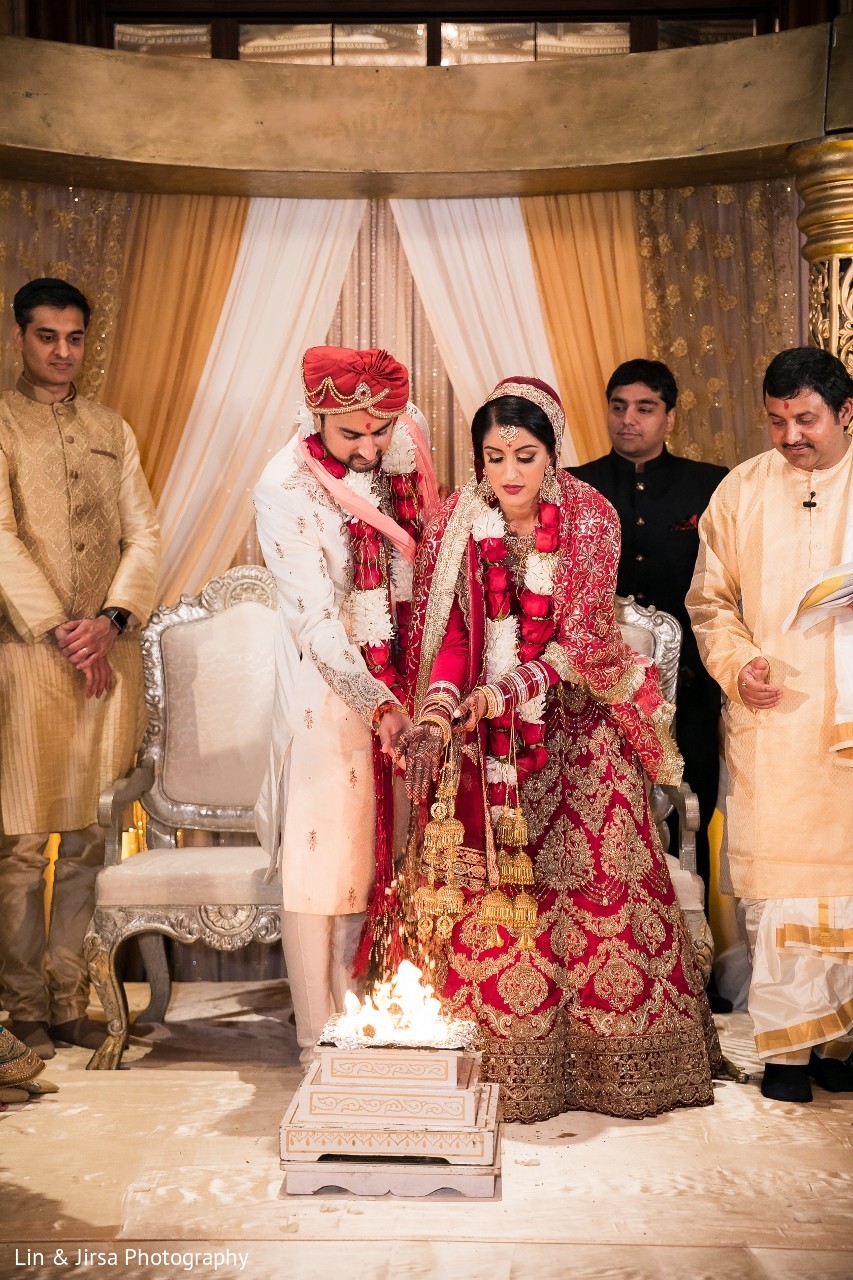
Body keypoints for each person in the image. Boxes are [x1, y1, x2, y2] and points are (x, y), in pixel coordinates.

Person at [403, 376, 721, 1122]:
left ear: (551, 455)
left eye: (524, 455)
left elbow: (578, 645)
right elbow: (452, 640)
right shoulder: (457, 521)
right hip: (488, 741)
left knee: (593, 889)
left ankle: (618, 1068)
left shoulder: (590, 517)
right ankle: (497, 1066)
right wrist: (443, 711)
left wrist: (499, 695)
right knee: (488, 897)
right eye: (492, 457)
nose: (508, 474)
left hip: (578, 730)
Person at [253, 346, 438, 1066]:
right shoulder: (284, 485)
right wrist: (375, 703)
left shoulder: (403, 431)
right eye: (349, 436)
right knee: (324, 856)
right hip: (325, 685)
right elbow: (315, 619)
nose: (368, 448)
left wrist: (412, 695)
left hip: (408, 672)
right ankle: (319, 1037)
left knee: (389, 848)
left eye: (379, 432)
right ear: (316, 417)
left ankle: (382, 1009)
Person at [0, 278, 161, 1060]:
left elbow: (146, 535)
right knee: (26, 845)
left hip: (107, 657)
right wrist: (65, 630)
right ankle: (24, 1004)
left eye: (73, 338)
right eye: (45, 336)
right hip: (29, 657)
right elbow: (0, 536)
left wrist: (112, 621)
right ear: (19, 338)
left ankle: (72, 997)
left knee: (92, 837)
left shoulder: (111, 428)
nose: (61, 352)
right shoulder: (0, 422)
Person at [687, 346, 853, 1103]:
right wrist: (737, 663)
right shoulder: (741, 491)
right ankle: (786, 1053)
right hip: (777, 717)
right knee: (783, 892)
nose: (790, 436)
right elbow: (709, 601)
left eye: (806, 420)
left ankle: (841, 1042)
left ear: (845, 414)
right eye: (778, 420)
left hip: (847, 727)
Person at [570, 359, 727, 890]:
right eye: (618, 407)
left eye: (644, 408)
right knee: (599, 816)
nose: (627, 419)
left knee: (691, 811)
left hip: (690, 689)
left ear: (671, 417)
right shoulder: (575, 488)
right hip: (597, 692)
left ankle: (694, 955)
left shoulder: (711, 486)